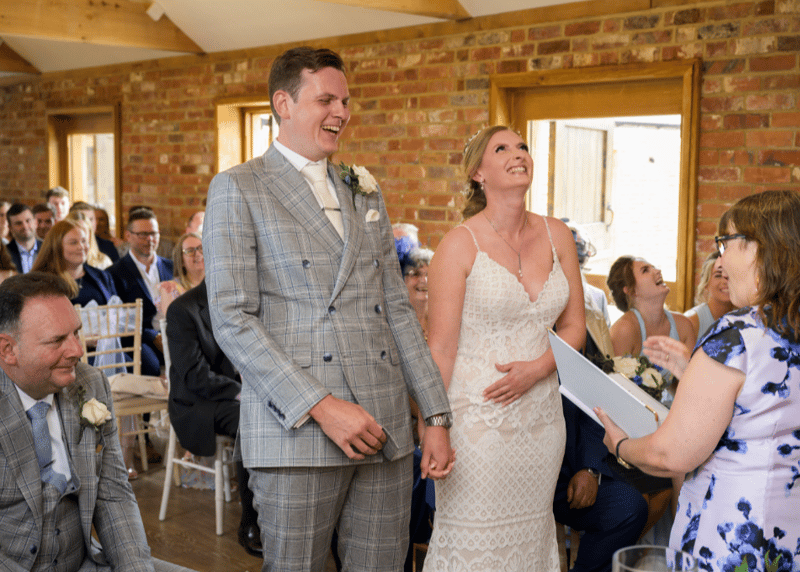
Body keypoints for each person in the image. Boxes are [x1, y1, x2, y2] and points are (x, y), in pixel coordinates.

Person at [204, 46, 453, 571]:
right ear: (284, 104)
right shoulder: (238, 187)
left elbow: (396, 309)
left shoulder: (364, 189)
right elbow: (232, 319)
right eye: (326, 100)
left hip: (384, 427)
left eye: (345, 101)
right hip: (296, 432)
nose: (341, 112)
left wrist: (434, 414)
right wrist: (322, 406)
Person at [597, 190, 800, 572]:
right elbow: (763, 406)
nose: (719, 261)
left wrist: (621, 444)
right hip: (788, 534)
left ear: (759, 248)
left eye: (725, 244)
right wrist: (693, 373)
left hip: (733, 535)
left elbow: (671, 454)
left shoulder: (736, 336)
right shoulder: (788, 328)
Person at [423, 125, 586, 571]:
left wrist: (538, 369)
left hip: (542, 421)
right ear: (478, 173)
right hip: (476, 421)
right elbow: (440, 349)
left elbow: (575, 327)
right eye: (502, 148)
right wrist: (433, 426)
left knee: (532, 538)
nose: (518, 154)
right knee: (474, 543)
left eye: (522, 146)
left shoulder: (557, 235)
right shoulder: (459, 245)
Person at [0, 272, 176, 572]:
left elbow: (113, 493)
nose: (78, 351)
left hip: (83, 563)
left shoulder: (90, 383)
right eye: (57, 340)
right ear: (8, 350)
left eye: (76, 333)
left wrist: (135, 568)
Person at [166, 280, 262, 557]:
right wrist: (242, 392)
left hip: (241, 391)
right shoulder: (182, 309)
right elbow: (195, 375)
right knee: (251, 423)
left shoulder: (247, 300)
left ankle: (280, 509)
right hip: (198, 402)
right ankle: (251, 523)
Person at [108, 208, 173, 377]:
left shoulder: (171, 267)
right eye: (143, 234)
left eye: (154, 233)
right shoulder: (114, 273)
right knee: (149, 365)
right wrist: (153, 336)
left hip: (174, 333)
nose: (150, 239)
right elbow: (119, 320)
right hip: (141, 337)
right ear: (128, 236)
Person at [684, 251, 734, 340]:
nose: (725, 281)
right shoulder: (691, 321)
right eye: (718, 275)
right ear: (706, 283)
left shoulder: (746, 317)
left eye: (730, 275)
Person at [157, 232, 204, 316]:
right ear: (181, 261)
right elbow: (171, 321)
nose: (198, 254)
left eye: (201, 248)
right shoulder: (170, 289)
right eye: (190, 251)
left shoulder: (218, 284)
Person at [6, 203, 42, 273]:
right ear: (10, 228)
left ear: (35, 222)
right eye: (18, 223)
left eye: (28, 221)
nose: (25, 226)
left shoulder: (48, 250)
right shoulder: (4, 254)